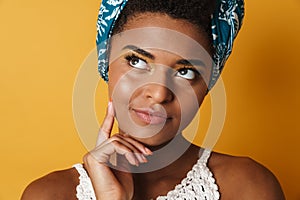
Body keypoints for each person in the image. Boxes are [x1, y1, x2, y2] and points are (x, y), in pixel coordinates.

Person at [21, 0, 285, 199]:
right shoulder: (49, 194)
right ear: (106, 62)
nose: (159, 93)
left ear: (207, 85)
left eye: (185, 71)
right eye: (136, 61)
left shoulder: (247, 187)